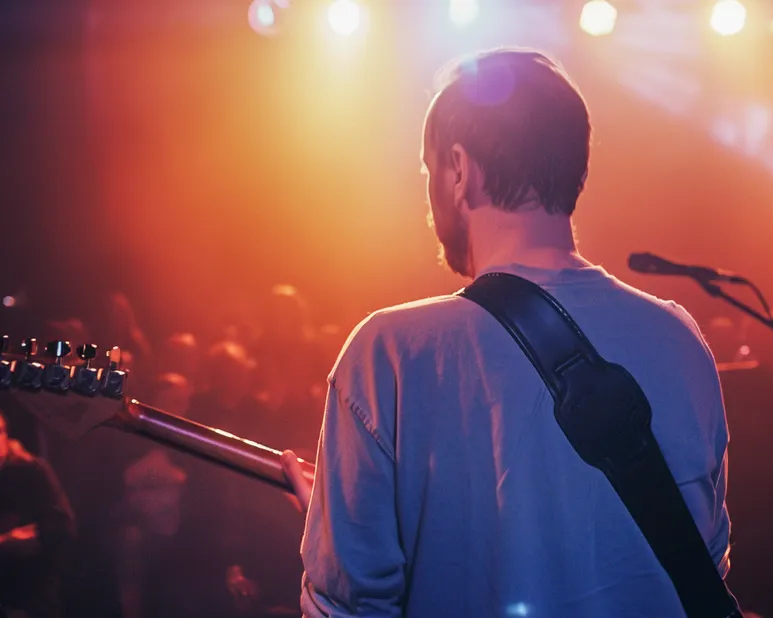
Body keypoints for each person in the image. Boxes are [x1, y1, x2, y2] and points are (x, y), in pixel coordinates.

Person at [283, 48, 733, 618]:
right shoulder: (681, 339)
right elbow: (704, 567)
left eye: (428, 172)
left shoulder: (389, 354)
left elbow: (348, 607)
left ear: (458, 169)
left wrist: (336, 532)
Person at [0, 410, 75, 618]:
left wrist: (34, 536)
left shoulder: (31, 471)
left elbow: (63, 526)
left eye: (0, 432)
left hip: (31, 598)